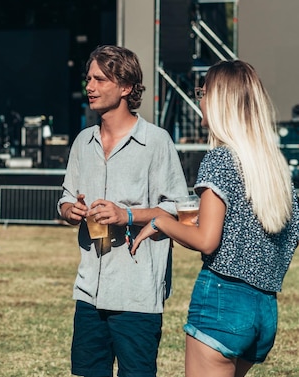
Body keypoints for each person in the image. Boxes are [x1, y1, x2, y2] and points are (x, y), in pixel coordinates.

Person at [131, 60, 299, 377]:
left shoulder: (220, 159)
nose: (200, 100)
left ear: (222, 100)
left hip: (223, 303)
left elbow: (208, 242)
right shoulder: (277, 172)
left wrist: (160, 222)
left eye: (203, 92)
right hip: (264, 313)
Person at [57, 45, 189, 377]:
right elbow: (65, 198)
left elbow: (178, 206)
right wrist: (70, 210)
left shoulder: (156, 142)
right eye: (88, 78)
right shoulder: (82, 142)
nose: (90, 86)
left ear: (126, 87)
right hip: (89, 291)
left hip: (137, 293)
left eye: (100, 79)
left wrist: (126, 215)